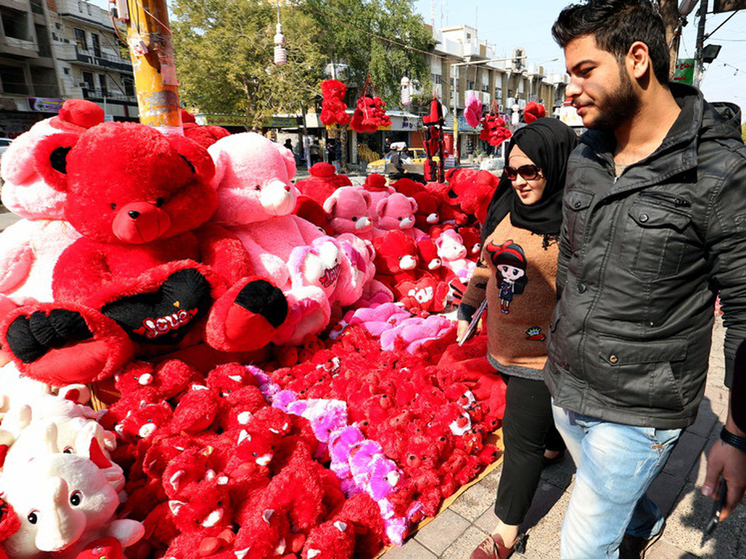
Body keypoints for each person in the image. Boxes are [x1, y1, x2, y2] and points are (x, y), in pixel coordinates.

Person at [547, 1, 746, 557]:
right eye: (568, 74)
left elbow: (745, 314)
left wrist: (735, 433)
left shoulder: (720, 171)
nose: (569, 89)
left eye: (584, 71)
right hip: (567, 385)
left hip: (640, 410)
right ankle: (645, 518)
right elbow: (572, 260)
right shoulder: (587, 151)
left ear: (637, 59)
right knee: (615, 501)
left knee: (582, 547)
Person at [461, 118, 578, 559]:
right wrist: (468, 306)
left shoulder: (576, 219)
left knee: (519, 439)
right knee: (535, 427)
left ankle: (505, 534)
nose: (520, 180)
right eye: (512, 171)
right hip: (504, 344)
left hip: (542, 353)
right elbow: (487, 264)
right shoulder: (506, 206)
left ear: (556, 162)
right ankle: (552, 446)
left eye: (531, 170)